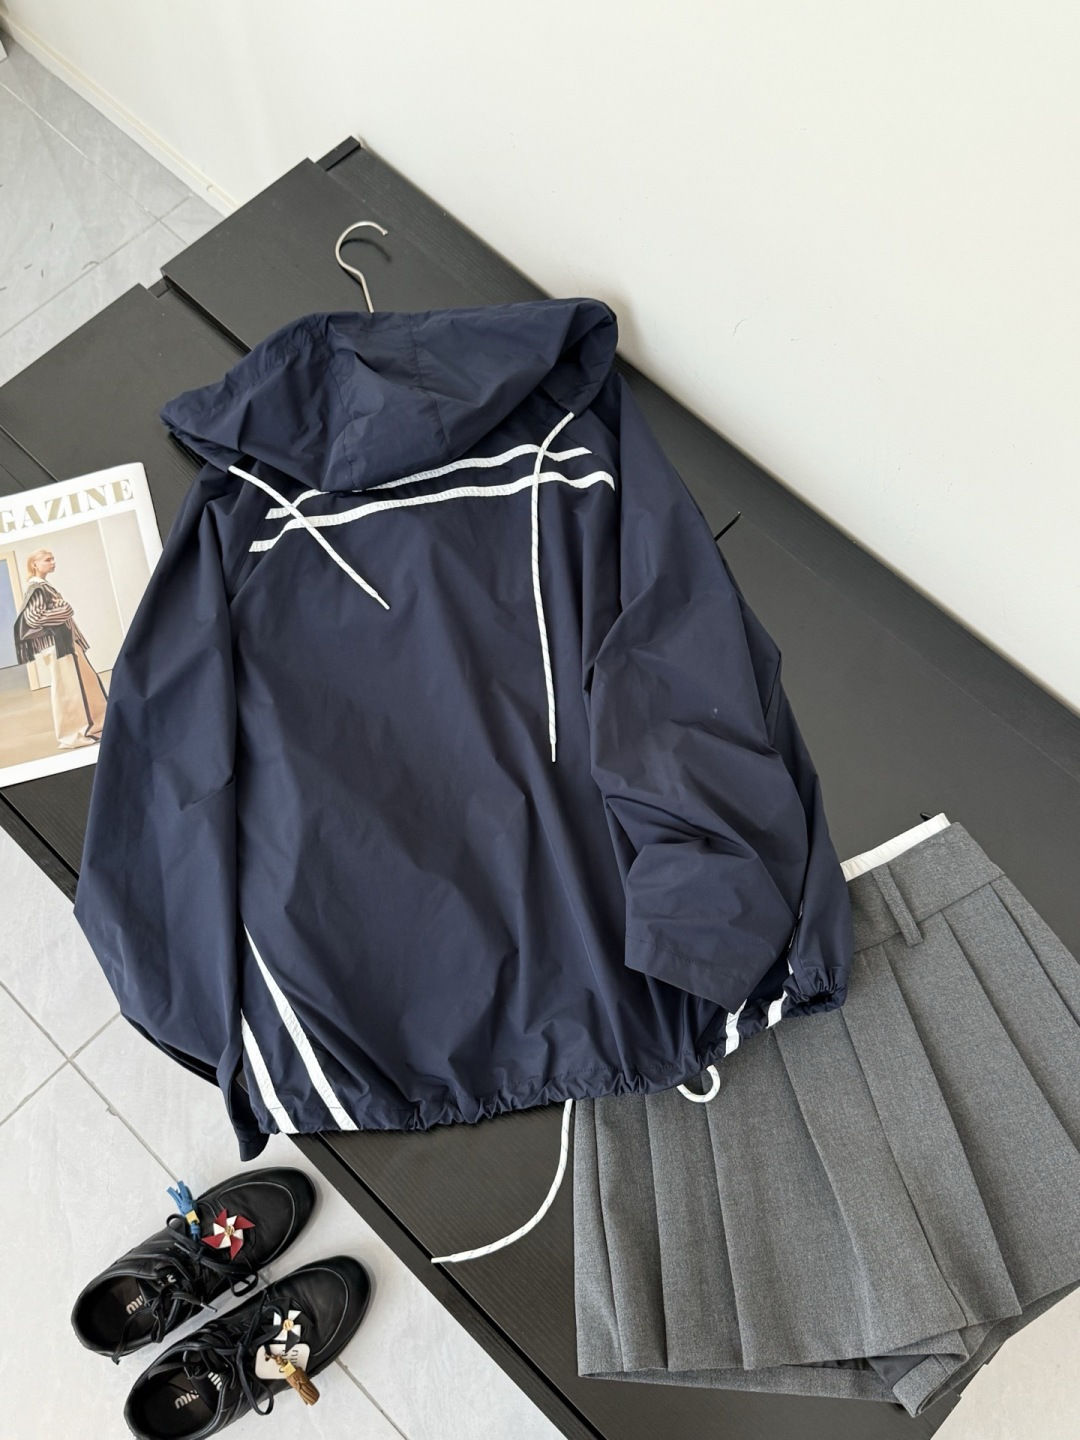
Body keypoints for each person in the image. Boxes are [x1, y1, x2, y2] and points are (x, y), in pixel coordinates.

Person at [13, 547, 108, 749]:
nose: (53, 562)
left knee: (84, 684)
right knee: (68, 690)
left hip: (65, 644)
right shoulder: (36, 588)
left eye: (53, 559)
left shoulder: (44, 586)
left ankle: (95, 725)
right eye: (47, 559)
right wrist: (65, 609)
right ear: (34, 564)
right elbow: (33, 618)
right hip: (58, 646)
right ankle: (73, 734)